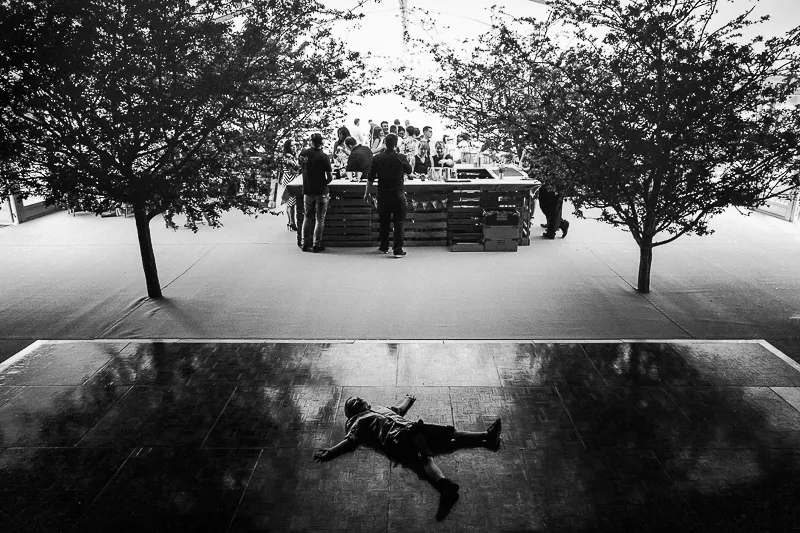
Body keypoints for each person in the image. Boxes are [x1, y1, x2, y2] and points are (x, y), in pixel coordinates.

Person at [313, 394, 502, 521]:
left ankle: (486, 435)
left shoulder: (380, 408)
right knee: (426, 459)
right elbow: (350, 440)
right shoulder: (356, 422)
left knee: (450, 433)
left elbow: (398, 410)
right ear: (351, 413)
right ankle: (445, 487)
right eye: (352, 403)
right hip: (398, 438)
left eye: (357, 398)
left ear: (367, 403)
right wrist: (331, 451)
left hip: (413, 427)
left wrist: (408, 400)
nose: (356, 400)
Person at [365, 133, 412, 257]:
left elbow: (370, 178)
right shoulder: (401, 157)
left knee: (384, 221)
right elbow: (410, 170)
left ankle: (384, 246)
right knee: (399, 222)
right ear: (396, 144)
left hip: (383, 194)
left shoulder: (377, 158)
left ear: (384, 143)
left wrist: (367, 192)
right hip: (398, 194)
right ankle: (397, 250)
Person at [299, 133, 333, 252]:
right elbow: (329, 177)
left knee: (307, 217)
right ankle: (316, 244)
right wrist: (324, 182)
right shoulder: (324, 157)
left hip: (308, 190)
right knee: (320, 218)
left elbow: (301, 168)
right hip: (321, 191)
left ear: (311, 141)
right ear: (321, 142)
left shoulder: (303, 154)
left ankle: (304, 243)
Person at [273, 139, 300, 231]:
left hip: (291, 179)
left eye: (295, 145)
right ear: (288, 147)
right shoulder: (288, 157)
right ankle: (292, 222)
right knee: (291, 202)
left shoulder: (292, 156)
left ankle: (290, 222)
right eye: (292, 146)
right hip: (289, 179)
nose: (294, 147)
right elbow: (294, 169)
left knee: (290, 202)